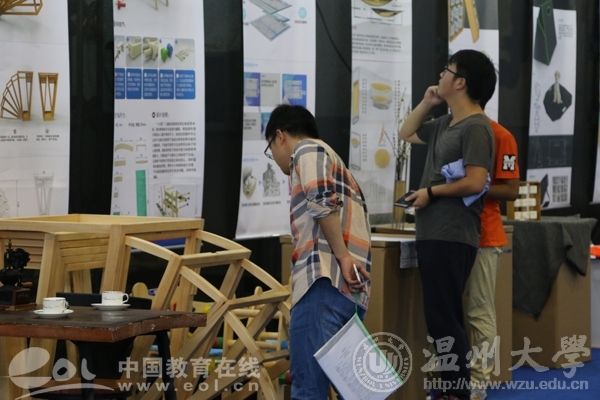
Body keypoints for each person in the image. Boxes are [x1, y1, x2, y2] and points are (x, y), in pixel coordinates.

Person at [399, 49, 497, 400]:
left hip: (453, 234)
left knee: (445, 317)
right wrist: (427, 103)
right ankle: (451, 388)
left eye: (447, 71)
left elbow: (476, 181)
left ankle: (455, 391)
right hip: (433, 231)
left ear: (460, 82)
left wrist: (431, 192)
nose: (440, 76)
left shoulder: (477, 127)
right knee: (440, 315)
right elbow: (406, 132)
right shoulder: (445, 123)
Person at [264, 104, 371, 399]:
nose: (274, 157)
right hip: (345, 292)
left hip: (321, 284)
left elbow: (321, 201)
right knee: (356, 392)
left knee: (308, 391)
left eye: (270, 149)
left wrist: (342, 255)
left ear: (280, 136)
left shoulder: (307, 149)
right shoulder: (334, 160)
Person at [465, 101, 520, 400]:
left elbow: (511, 190)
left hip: (484, 236)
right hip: (450, 234)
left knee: (479, 311)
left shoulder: (501, 136)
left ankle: (478, 382)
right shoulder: (452, 131)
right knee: (449, 311)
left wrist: (470, 186)